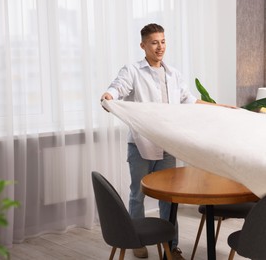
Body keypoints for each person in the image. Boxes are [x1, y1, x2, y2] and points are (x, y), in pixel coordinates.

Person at [101, 23, 215, 260]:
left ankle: (171, 246)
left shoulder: (173, 74)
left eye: (163, 41)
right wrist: (109, 95)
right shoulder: (132, 70)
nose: (160, 46)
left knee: (169, 197)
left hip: (167, 146)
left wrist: (221, 108)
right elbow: (118, 87)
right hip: (140, 144)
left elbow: (189, 100)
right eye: (154, 42)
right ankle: (136, 241)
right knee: (137, 194)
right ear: (143, 46)